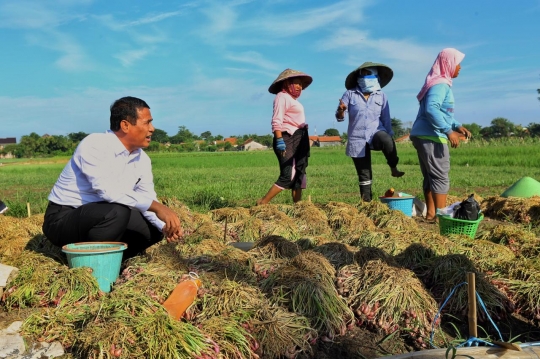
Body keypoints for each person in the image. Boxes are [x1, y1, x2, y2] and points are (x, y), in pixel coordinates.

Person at [42, 96, 183, 259]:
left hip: (104, 215)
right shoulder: (95, 144)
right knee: (117, 212)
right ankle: (93, 265)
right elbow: (109, 192)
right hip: (64, 218)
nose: (152, 129)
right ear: (125, 125)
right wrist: (159, 208)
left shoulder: (142, 159)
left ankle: (115, 260)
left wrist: (164, 226)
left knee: (152, 230)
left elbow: (146, 198)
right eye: (147, 122)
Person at [409, 48, 471, 222]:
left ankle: (431, 214)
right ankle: (441, 218)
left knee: (430, 176)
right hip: (432, 136)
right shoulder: (440, 85)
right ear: (448, 64)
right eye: (458, 64)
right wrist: (448, 131)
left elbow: (443, 112)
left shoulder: (437, 83)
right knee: (440, 176)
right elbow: (431, 109)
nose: (459, 68)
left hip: (423, 134)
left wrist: (457, 125)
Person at [335, 62, 404, 202]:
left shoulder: (381, 96)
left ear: (376, 77)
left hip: (375, 132)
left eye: (369, 74)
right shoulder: (350, 94)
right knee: (364, 174)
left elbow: (386, 117)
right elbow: (339, 117)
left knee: (386, 140)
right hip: (357, 138)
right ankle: (367, 203)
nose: (365, 77)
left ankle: (393, 167)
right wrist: (341, 110)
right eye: (363, 74)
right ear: (358, 77)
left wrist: (390, 138)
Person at [257, 69, 312, 205]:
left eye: (301, 84)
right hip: (288, 138)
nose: (299, 87)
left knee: (299, 173)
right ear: (287, 83)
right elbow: (277, 120)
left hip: (299, 137)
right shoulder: (281, 97)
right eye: (297, 83)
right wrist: (279, 140)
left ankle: (298, 206)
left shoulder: (292, 100)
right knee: (288, 175)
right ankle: (263, 202)